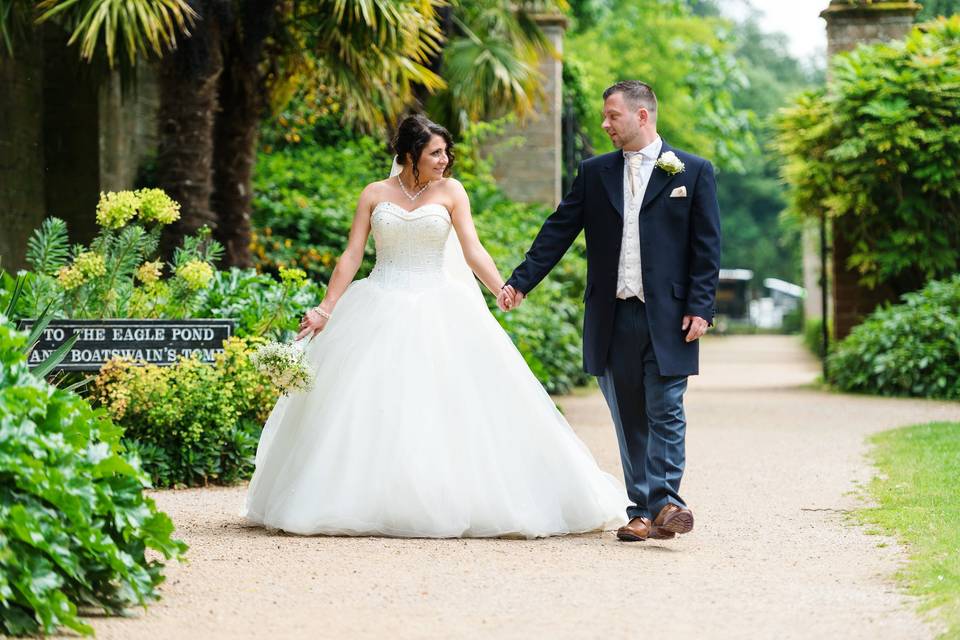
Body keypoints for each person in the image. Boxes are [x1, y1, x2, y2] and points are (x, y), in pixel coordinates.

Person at [241, 114, 628, 538]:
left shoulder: (452, 192)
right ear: (410, 156)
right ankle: (367, 498)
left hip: (440, 304)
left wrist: (504, 287)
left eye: (446, 152)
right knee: (367, 404)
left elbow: (472, 248)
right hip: (378, 300)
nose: (444, 160)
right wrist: (325, 308)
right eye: (435, 153)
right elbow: (352, 255)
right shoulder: (374, 194)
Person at [499, 81, 721, 542]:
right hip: (612, 314)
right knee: (628, 416)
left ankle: (662, 504)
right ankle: (647, 509)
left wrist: (701, 306)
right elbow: (558, 230)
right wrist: (521, 280)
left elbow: (707, 246)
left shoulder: (692, 172)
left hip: (670, 314)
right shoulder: (595, 173)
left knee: (667, 410)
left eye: (612, 116)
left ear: (642, 116)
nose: (604, 124)